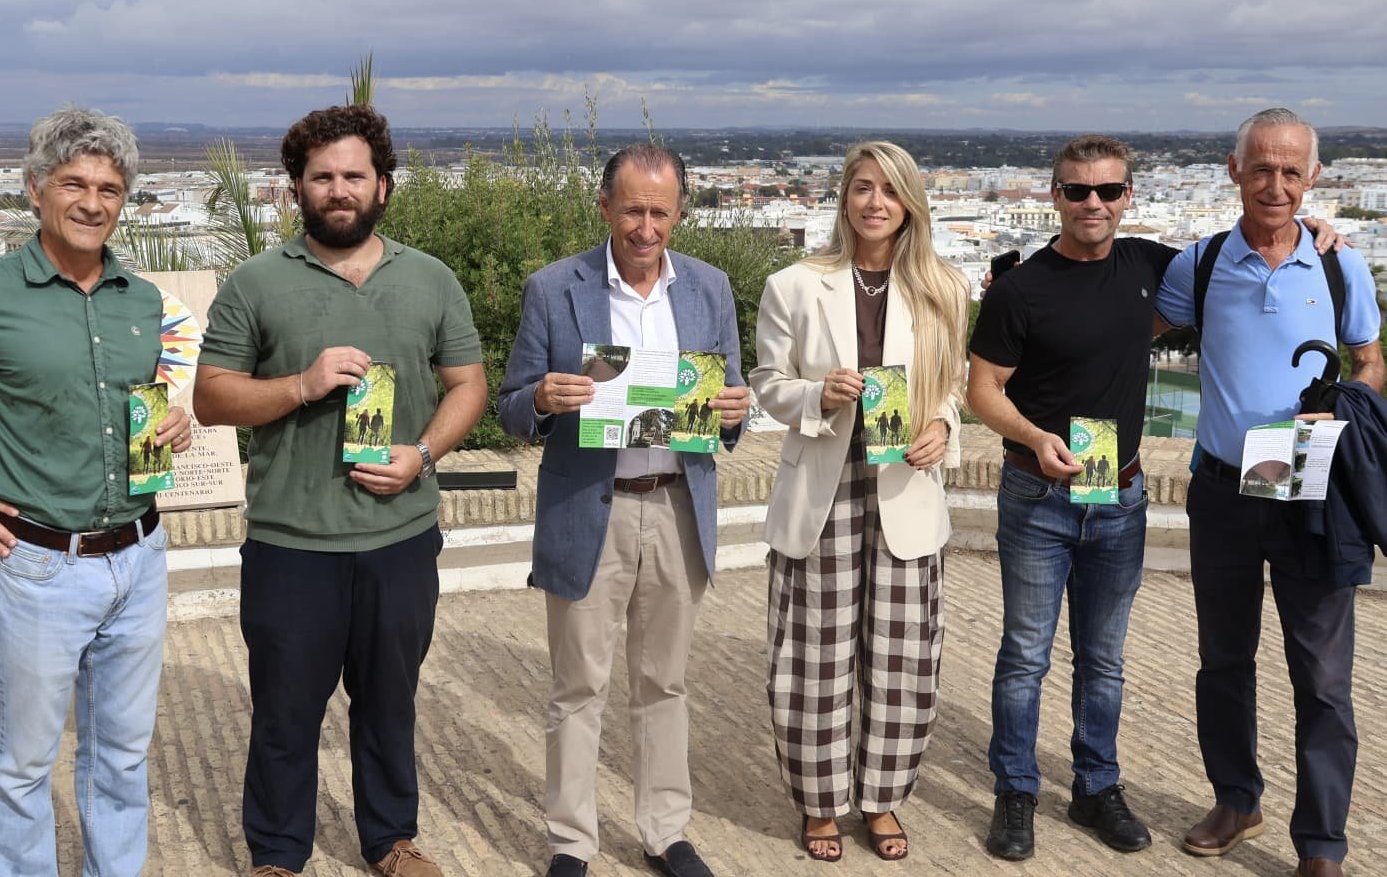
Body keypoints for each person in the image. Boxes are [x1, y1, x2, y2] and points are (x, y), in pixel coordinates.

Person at [0, 106, 192, 876]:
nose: (93, 202)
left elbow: (136, 403)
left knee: (121, 758)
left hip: (140, 556)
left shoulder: (142, 301)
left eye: (110, 188)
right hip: (36, 568)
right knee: (24, 765)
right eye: (74, 184)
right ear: (34, 190)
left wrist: (173, 424)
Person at [193, 104, 486, 877]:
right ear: (297, 189)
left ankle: (392, 841)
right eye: (321, 177)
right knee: (286, 716)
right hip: (293, 544)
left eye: (354, 175)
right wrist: (299, 383)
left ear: (383, 185)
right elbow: (212, 398)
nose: (339, 189)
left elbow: (469, 386)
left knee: (390, 708)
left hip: (401, 538)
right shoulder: (255, 283)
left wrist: (421, 454)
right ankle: (279, 854)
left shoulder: (431, 279)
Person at [498, 143, 750, 877]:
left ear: (679, 213)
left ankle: (665, 832)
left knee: (664, 683)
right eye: (633, 209)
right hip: (590, 509)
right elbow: (513, 407)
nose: (646, 226)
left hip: (676, 506)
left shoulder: (711, 288)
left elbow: (727, 407)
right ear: (605, 206)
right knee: (578, 686)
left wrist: (735, 410)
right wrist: (543, 399)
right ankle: (571, 842)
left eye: (660, 211)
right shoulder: (554, 288)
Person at [1155, 108, 1384, 877]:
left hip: (1310, 492)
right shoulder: (1201, 262)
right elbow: (1129, 332)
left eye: (1292, 171)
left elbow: (1370, 361)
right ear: (1233, 170)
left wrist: (1343, 401)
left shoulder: (1338, 264)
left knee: (1321, 676)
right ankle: (1236, 799)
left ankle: (1321, 843)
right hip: (1223, 492)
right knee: (1224, 659)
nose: (1276, 185)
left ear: (1313, 177)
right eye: (1262, 168)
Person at [750, 141, 967, 863]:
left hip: (905, 482)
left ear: (910, 203)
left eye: (890, 191)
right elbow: (768, 385)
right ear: (843, 198)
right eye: (862, 188)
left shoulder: (942, 285)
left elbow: (953, 388)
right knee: (814, 656)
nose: (875, 202)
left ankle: (880, 799)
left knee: (903, 657)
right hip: (824, 483)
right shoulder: (793, 284)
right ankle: (818, 802)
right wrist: (817, 394)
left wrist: (943, 428)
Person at [967, 134, 1171, 861]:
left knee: (1105, 659)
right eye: (1078, 190)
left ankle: (1095, 788)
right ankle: (1016, 791)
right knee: (1025, 654)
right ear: (1053, 195)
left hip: (1121, 495)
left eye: (1108, 191)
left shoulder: (1150, 266)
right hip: (1037, 494)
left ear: (1127, 197)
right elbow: (981, 390)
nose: (1093, 203)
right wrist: (1035, 435)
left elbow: (1243, 262)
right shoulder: (1022, 288)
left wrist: (1315, 232)